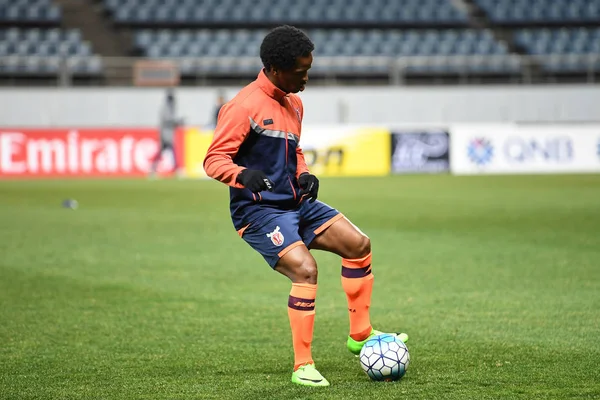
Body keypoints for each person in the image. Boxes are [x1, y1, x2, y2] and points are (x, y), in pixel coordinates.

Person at [203, 25, 408, 387]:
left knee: (359, 244)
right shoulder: (242, 107)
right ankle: (303, 366)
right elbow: (214, 159)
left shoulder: (294, 102)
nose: (306, 77)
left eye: (308, 69)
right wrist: (242, 175)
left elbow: (294, 149)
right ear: (276, 69)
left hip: (296, 203)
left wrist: (304, 174)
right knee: (306, 271)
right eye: (301, 71)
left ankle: (360, 335)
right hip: (259, 212)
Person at [149, 89, 184, 178]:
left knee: (168, 152)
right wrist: (178, 121)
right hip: (165, 134)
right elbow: (168, 120)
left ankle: (154, 169)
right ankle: (177, 170)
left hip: (168, 133)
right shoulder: (166, 108)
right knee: (170, 151)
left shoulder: (169, 108)